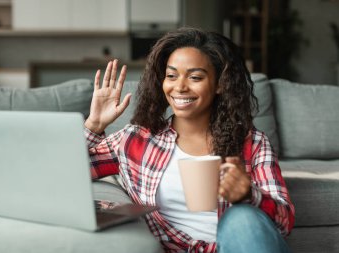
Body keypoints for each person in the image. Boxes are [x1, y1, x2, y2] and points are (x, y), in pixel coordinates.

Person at [84, 27, 295, 253]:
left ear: (220, 84)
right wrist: (94, 125)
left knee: (242, 217)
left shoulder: (252, 143)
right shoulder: (136, 139)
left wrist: (249, 195)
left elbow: (285, 221)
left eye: (195, 77)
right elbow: (68, 173)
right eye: (171, 75)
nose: (180, 87)